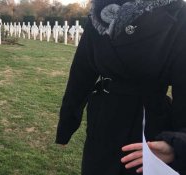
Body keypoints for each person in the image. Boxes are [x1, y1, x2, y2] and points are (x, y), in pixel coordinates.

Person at [55, 0, 186, 174]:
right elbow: (81, 74)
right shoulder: (99, 14)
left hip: (149, 128)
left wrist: (177, 142)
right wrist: (67, 124)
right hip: (103, 121)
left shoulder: (177, 13)